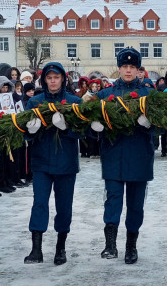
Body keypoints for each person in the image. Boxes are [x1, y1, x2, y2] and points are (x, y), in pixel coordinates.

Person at [94, 47, 153, 264]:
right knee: (113, 200)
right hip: (113, 155)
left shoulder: (148, 94)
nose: (128, 70)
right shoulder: (105, 94)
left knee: (136, 204)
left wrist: (151, 124)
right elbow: (88, 124)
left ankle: (131, 246)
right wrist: (95, 126)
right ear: (119, 68)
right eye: (124, 66)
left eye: (132, 67)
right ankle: (110, 244)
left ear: (139, 70)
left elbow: (165, 125)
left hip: (140, 155)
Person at [22, 62, 81, 266]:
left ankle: (60, 248)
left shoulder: (74, 101)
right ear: (44, 80)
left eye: (57, 77)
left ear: (63, 79)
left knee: (64, 207)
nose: (53, 81)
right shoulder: (35, 102)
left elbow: (83, 131)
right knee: (39, 204)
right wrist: (30, 131)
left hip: (66, 163)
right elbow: (25, 132)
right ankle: (36, 250)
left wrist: (66, 129)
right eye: (49, 78)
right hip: (41, 162)